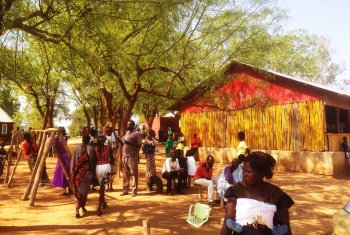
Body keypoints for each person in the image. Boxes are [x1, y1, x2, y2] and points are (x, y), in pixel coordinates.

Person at [220, 151, 294, 235]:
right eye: (243, 171)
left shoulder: (276, 194)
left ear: (261, 174)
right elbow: (227, 224)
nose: (244, 174)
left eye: (248, 172)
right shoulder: (236, 191)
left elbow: (286, 228)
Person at [70, 127, 94, 218]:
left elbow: (73, 160)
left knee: (77, 192)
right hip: (86, 174)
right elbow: (92, 161)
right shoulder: (90, 149)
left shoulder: (77, 147)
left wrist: (72, 172)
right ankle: (81, 207)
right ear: (88, 140)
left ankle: (78, 209)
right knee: (84, 192)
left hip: (77, 174)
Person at [120, 120, 143, 197]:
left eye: (129, 124)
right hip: (125, 156)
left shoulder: (137, 134)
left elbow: (140, 145)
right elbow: (122, 142)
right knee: (125, 174)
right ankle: (125, 190)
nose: (127, 126)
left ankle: (134, 190)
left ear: (133, 125)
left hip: (132, 156)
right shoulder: (126, 133)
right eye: (127, 124)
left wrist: (130, 143)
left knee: (134, 174)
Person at [94, 133, 112, 216]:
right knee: (102, 188)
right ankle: (98, 208)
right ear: (105, 140)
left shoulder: (95, 149)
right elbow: (112, 159)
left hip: (98, 168)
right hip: (106, 168)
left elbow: (94, 160)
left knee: (102, 186)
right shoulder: (108, 148)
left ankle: (103, 203)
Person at [52, 127, 70, 195]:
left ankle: (64, 190)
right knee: (67, 172)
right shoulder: (65, 138)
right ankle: (69, 189)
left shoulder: (56, 141)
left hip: (61, 158)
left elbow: (54, 148)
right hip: (66, 157)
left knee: (61, 173)